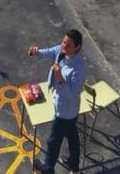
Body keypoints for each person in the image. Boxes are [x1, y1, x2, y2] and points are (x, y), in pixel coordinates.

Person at [27, 30, 87, 174]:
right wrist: (36, 52)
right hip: (64, 107)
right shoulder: (61, 51)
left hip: (65, 111)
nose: (64, 46)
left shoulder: (78, 68)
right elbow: (49, 52)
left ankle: (47, 170)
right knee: (72, 136)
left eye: (69, 44)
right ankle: (74, 164)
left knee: (53, 142)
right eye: (64, 41)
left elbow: (73, 96)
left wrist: (60, 77)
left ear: (77, 47)